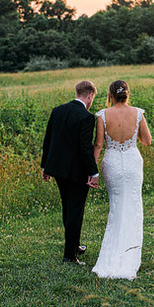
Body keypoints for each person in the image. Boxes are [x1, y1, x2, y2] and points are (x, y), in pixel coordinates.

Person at [92, 80, 152, 279]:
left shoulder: (102, 115)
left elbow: (99, 145)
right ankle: (130, 254)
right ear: (127, 94)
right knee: (133, 205)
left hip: (113, 163)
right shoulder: (138, 113)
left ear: (110, 95)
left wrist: (92, 171)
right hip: (133, 162)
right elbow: (148, 141)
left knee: (116, 206)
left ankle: (113, 253)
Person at [41, 80, 100, 265]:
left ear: (77, 92)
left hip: (57, 169)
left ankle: (74, 246)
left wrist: (45, 166)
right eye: (92, 98)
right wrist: (94, 172)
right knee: (75, 212)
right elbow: (85, 148)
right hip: (76, 172)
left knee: (68, 209)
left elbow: (48, 138)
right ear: (90, 96)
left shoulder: (58, 110)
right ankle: (70, 256)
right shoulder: (86, 116)